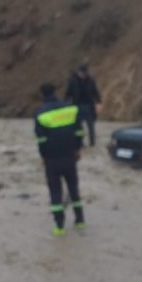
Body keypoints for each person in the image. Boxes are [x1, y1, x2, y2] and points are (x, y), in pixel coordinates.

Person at [34, 82, 86, 236]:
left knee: (55, 192)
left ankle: (59, 227)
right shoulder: (70, 108)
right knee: (73, 189)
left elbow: (41, 140)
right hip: (70, 156)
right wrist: (77, 149)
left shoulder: (40, 114)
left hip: (52, 159)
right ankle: (80, 220)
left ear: (42, 95)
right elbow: (79, 132)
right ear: (56, 91)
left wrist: (43, 157)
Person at [65, 63, 102, 146]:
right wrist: (65, 103)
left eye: (85, 72)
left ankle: (92, 143)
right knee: (78, 126)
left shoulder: (91, 80)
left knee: (91, 125)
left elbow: (95, 92)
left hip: (89, 106)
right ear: (78, 72)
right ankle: (80, 143)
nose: (83, 74)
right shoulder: (72, 80)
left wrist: (99, 102)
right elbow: (68, 93)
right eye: (81, 72)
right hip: (76, 105)